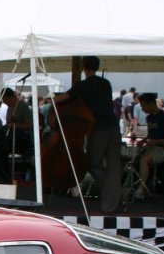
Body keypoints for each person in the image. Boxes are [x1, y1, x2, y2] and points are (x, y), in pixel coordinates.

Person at [52, 55, 122, 213]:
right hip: (113, 125)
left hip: (98, 128)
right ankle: (113, 195)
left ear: (84, 67)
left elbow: (65, 97)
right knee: (113, 165)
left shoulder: (83, 85)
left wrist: (48, 100)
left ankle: (112, 192)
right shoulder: (106, 83)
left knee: (93, 164)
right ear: (97, 67)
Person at [136, 93, 164, 197]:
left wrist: (156, 142)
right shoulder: (149, 118)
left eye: (143, 106)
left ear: (152, 103)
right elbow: (150, 134)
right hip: (151, 147)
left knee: (144, 160)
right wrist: (143, 140)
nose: (142, 109)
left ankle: (141, 189)